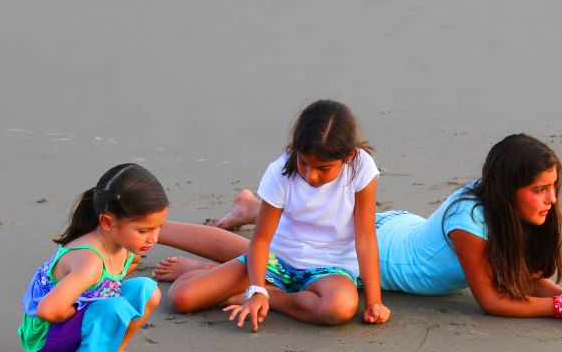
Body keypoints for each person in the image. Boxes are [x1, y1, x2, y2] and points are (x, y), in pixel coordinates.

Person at [155, 134, 562, 323]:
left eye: (552, 187)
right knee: (270, 244)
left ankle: (252, 206)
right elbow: (492, 300)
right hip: (376, 249)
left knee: (292, 225)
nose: (551, 199)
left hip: (397, 230)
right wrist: (560, 307)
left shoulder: (505, 208)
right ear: (509, 188)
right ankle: (158, 230)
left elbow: (514, 275)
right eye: (539, 189)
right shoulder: (470, 224)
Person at [161, 99, 390, 331]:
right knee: (182, 298)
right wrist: (257, 287)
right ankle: (239, 282)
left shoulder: (361, 167)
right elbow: (260, 240)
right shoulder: (280, 172)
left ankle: (264, 297)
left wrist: (374, 302)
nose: (310, 175)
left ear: (349, 155)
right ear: (294, 149)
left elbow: (366, 237)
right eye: (303, 162)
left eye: (323, 168)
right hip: (277, 259)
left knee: (339, 308)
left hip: (330, 268)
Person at [19, 163, 168, 352]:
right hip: (48, 336)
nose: (155, 237)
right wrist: (80, 311)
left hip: (77, 318)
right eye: (143, 230)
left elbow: (111, 281)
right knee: (113, 308)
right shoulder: (89, 262)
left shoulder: (125, 246)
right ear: (107, 222)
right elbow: (48, 310)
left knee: (147, 290)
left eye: (159, 227)